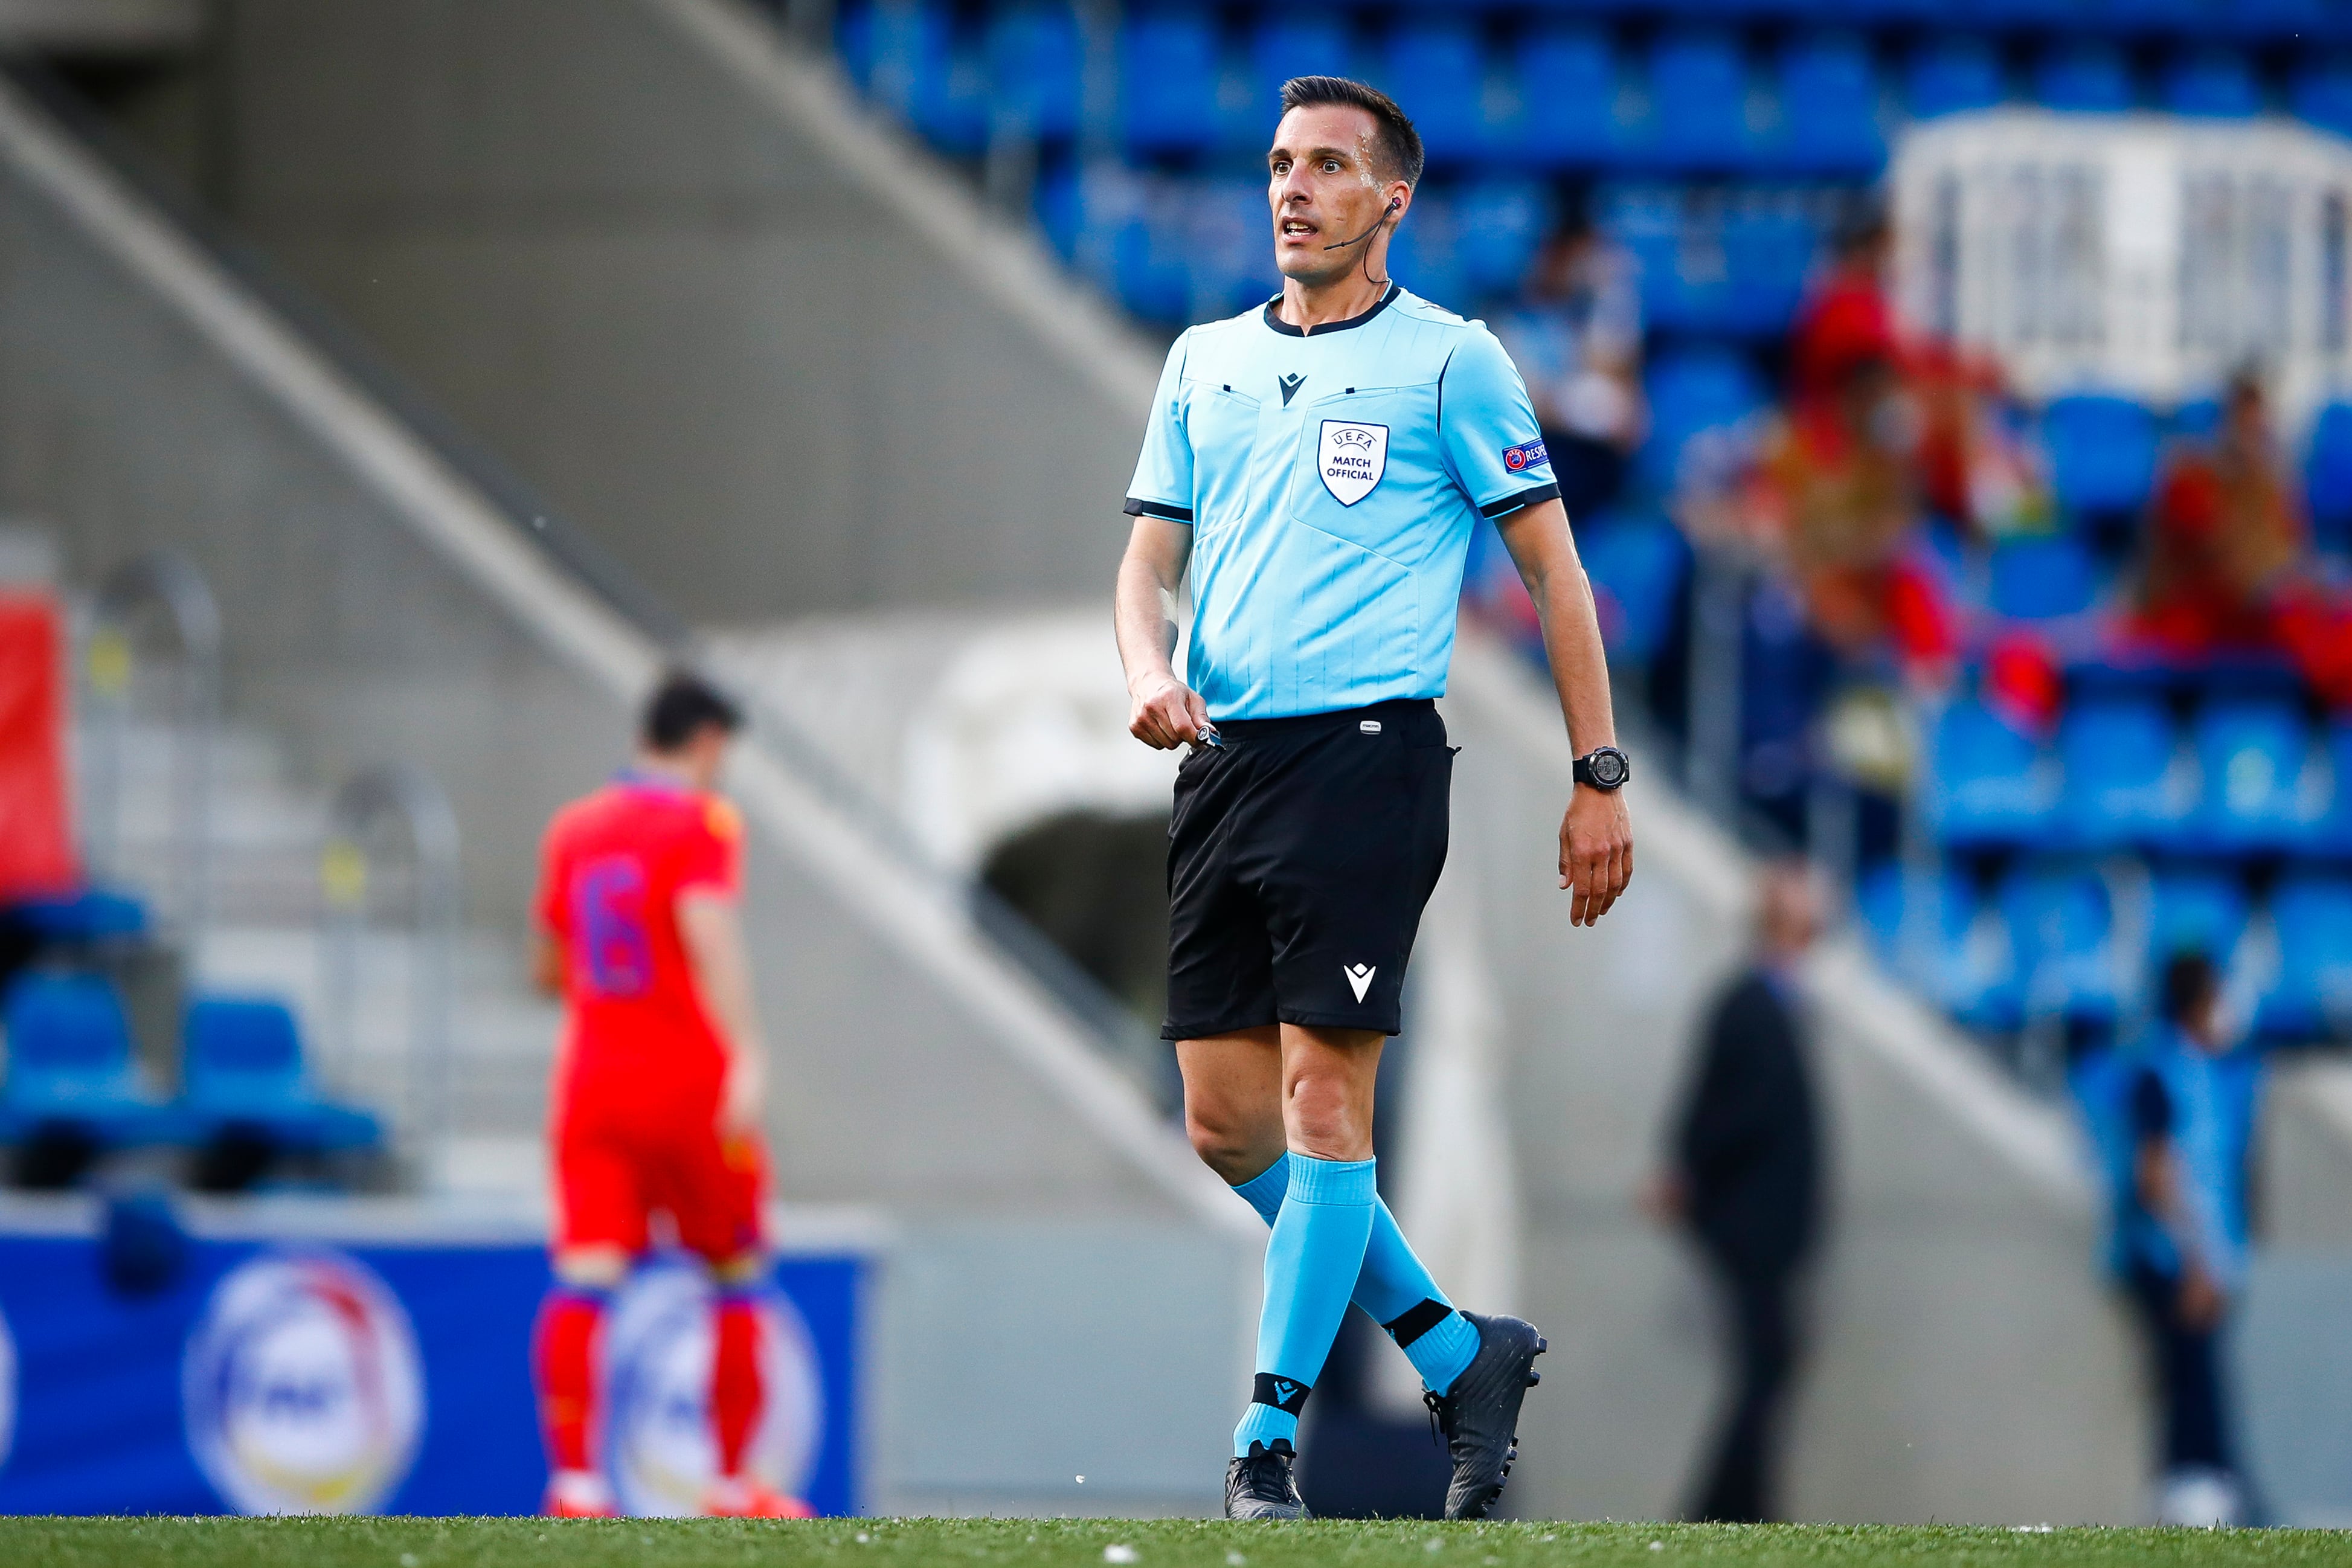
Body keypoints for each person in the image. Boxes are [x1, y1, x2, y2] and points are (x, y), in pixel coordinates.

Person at [1113, 75, 1636, 1521]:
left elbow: (1555, 572)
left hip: (1363, 757)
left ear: (1389, 199)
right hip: (1221, 762)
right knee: (1225, 1125)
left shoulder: (1453, 363)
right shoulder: (1202, 360)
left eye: (1329, 168)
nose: (1293, 189)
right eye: (1280, 164)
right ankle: (1461, 1352)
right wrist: (1147, 665)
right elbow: (1146, 559)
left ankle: (1265, 1441)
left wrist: (1598, 774)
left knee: (1325, 1103)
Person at [527, 672, 809, 1520]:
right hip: (686, 1079)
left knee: (586, 1275)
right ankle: (728, 1485)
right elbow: (706, 933)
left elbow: (549, 968)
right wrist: (749, 1056)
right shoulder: (700, 823)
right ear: (709, 741)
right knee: (734, 1270)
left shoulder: (573, 829)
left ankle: (575, 1484)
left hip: (591, 1079)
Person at [1646, 861, 1824, 1524]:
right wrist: (1687, 1176)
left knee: (1769, 1365)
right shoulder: (1748, 1001)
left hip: (1769, 1228)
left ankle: (1737, 1508)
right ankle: (1725, 1510)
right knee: (1766, 1363)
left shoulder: (1781, 1000)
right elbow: (1714, 1109)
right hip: (1750, 1227)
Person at [2112, 953, 2263, 1527]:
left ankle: (2213, 1492)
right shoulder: (2160, 1071)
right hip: (2174, 1261)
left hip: (2208, 1262)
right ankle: (2191, 1499)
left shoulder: (2211, 1073)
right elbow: (2156, 1175)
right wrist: (2197, 1261)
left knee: (2208, 1381)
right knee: (2191, 1384)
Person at [1491, 210, 1646, 521]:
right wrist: (1580, 406)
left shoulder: (1594, 316)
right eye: (1569, 260)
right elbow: (1525, 402)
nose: (1577, 271)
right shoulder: (1508, 320)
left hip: (1594, 464)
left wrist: (1608, 295)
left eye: (1585, 262)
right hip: (1529, 457)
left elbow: (1625, 407)